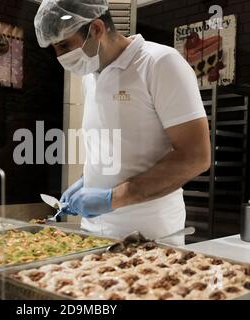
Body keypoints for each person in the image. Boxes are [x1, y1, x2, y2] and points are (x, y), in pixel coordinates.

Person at [34, 0, 210, 243]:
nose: (60, 57)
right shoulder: (90, 76)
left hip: (149, 236)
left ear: (96, 29)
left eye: (65, 45)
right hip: (93, 233)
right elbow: (116, 147)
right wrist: (89, 181)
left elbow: (196, 156)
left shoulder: (159, 63)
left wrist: (111, 199)